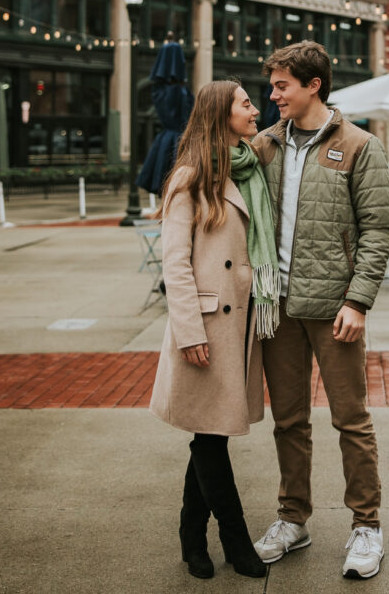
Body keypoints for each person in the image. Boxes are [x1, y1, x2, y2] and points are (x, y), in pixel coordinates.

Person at [252, 41, 389, 580]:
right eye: (271, 87)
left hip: (335, 308)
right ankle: (294, 519)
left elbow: (379, 230)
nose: (273, 96)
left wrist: (358, 300)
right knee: (287, 421)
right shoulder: (263, 145)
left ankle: (367, 526)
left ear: (313, 85)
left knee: (350, 420)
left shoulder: (360, 145)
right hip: (278, 308)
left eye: (282, 86)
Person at [149, 80, 280, 580]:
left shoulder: (249, 170)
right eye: (245, 103)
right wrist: (189, 333)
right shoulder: (189, 178)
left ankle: (190, 533)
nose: (254, 109)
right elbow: (175, 264)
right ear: (220, 115)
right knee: (211, 437)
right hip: (205, 328)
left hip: (240, 325)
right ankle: (235, 538)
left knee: (211, 434)